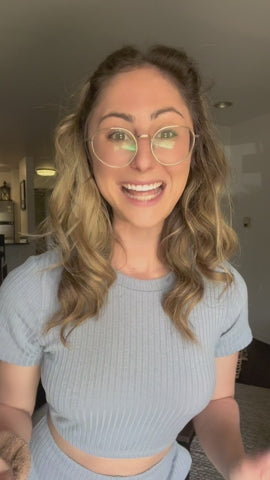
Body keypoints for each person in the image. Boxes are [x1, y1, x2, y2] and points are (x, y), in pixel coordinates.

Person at [0, 44, 269, 480]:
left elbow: (218, 403)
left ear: (193, 149)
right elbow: (11, 406)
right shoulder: (33, 287)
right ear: (88, 149)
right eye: (119, 134)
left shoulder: (223, 290)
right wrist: (8, 451)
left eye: (166, 132)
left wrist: (237, 464)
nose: (143, 160)